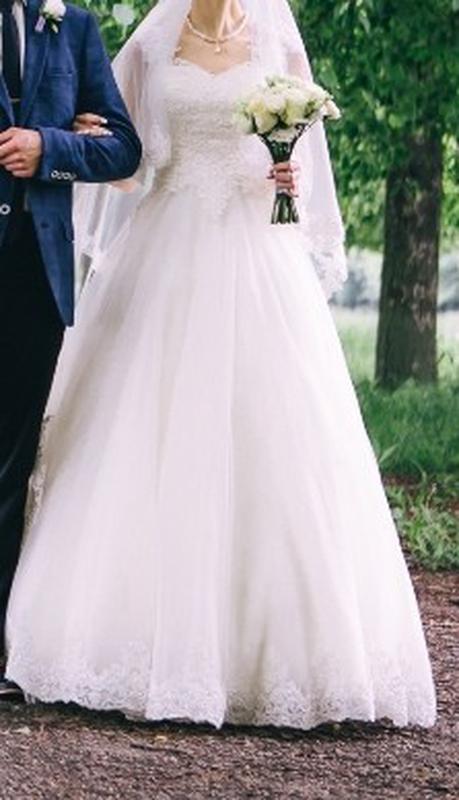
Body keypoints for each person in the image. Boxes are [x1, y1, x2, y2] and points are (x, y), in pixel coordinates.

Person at [5, 0, 436, 730]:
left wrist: (285, 178)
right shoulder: (151, 44)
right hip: (165, 248)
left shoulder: (276, 43)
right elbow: (126, 163)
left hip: (256, 251)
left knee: (280, 440)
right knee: (138, 435)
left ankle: (278, 650)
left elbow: (298, 171)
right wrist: (86, 143)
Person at [0, 0, 142, 701]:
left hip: (35, 277)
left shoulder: (72, 24)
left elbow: (123, 148)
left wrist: (51, 148)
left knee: (10, 465)